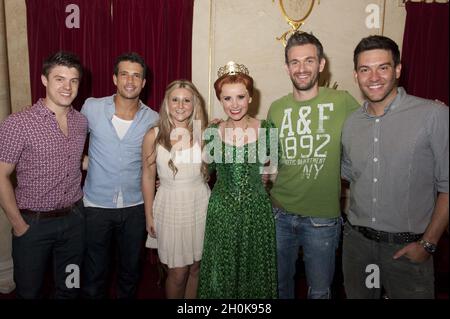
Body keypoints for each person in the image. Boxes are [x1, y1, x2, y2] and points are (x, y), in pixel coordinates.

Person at [341, 35, 449, 299]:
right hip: (358, 247)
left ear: (398, 70)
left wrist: (428, 243)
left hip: (408, 250)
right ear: (356, 75)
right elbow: (348, 177)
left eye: (383, 67)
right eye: (365, 69)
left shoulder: (433, 115)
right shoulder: (351, 123)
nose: (374, 77)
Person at [266, 32, 360, 299]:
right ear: (287, 68)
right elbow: (268, 158)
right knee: (279, 288)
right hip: (280, 215)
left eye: (309, 60)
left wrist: (417, 113)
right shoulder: (276, 108)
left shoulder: (342, 101)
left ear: (321, 64)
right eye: (294, 62)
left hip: (323, 219)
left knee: (319, 292)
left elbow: (376, 124)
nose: (302, 68)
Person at [0, 51, 87, 299]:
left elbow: (76, 160)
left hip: (74, 222)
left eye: (73, 80)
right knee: (30, 292)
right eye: (59, 79)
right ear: (44, 80)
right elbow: (1, 175)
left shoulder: (81, 122)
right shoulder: (18, 123)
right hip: (33, 225)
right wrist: (18, 224)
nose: (67, 87)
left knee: (71, 286)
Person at [81, 52, 159, 299]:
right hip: (96, 206)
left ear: (144, 82)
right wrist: (82, 163)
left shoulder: (153, 119)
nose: (130, 80)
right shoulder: (91, 107)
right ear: (115, 78)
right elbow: (66, 136)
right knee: (94, 274)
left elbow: (160, 160)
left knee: (130, 272)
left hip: (135, 206)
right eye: (124, 74)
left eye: (137, 75)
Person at [198, 61, 278, 299]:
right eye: (227, 98)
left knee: (255, 274)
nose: (234, 105)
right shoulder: (213, 132)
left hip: (257, 214)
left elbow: (273, 172)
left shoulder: (267, 129)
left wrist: (265, 177)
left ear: (250, 98)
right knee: (219, 276)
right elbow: (205, 172)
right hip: (221, 213)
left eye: (240, 97)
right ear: (220, 100)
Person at [142, 80, 210, 299]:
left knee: (196, 268)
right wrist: (148, 215)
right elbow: (147, 176)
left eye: (187, 100)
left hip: (201, 205)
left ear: (194, 104)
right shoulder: (154, 134)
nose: (181, 105)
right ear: (167, 103)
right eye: (175, 99)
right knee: (178, 272)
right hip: (170, 207)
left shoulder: (203, 134)